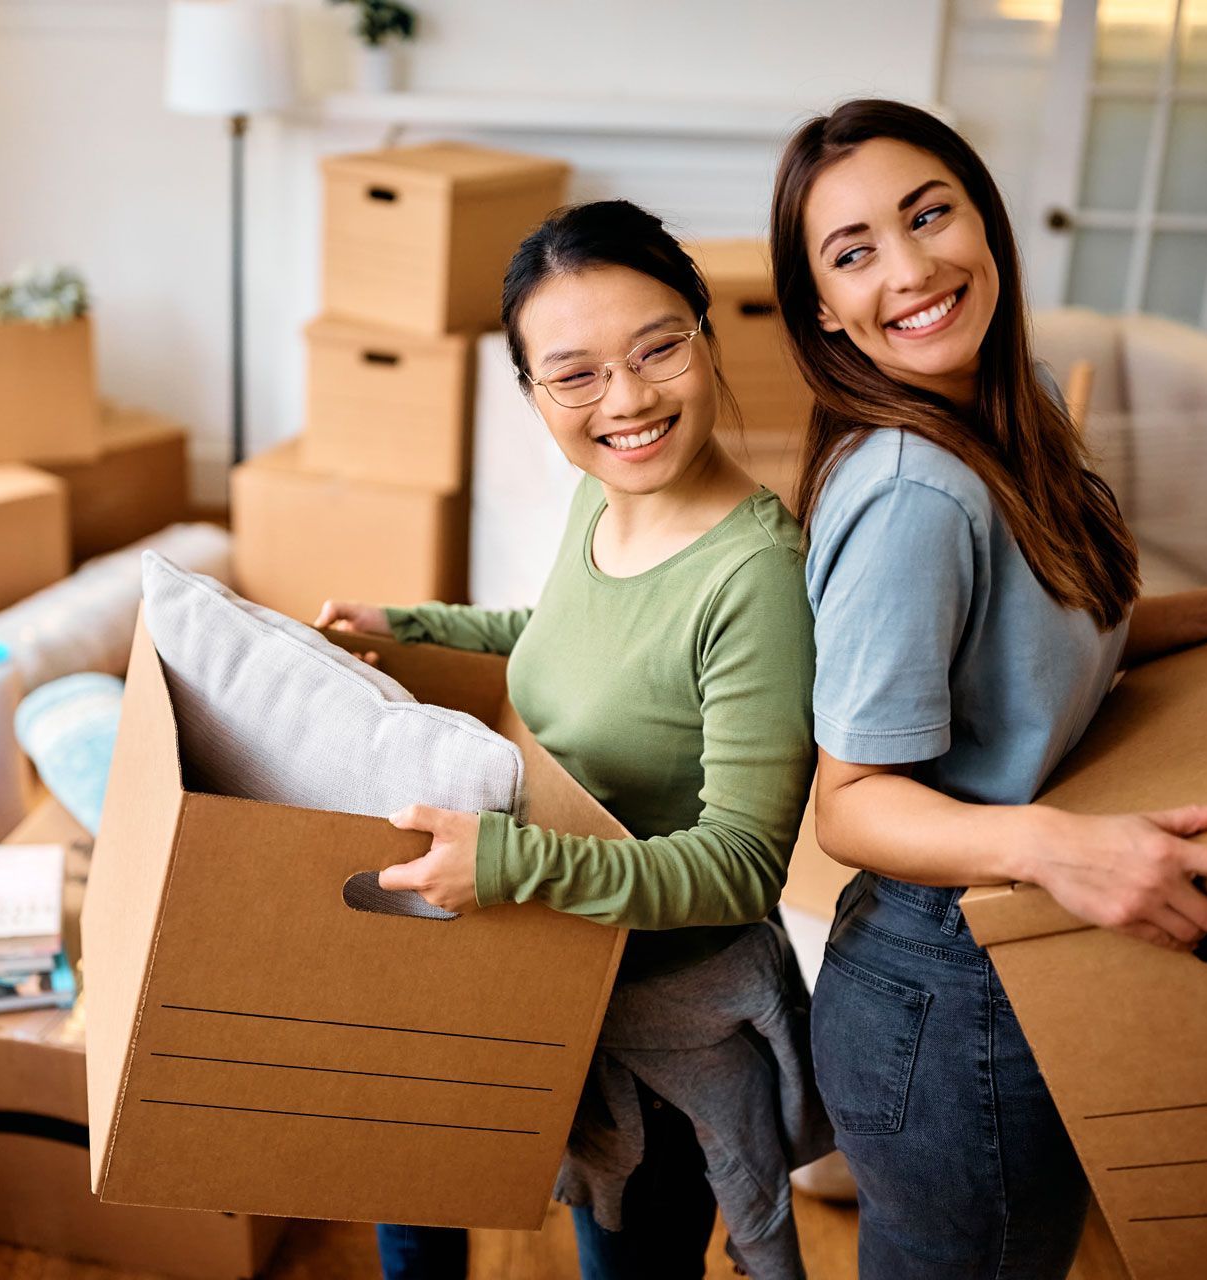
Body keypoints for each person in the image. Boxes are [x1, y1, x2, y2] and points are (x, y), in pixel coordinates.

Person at [765, 98, 1207, 1278]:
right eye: (855, 253)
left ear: (984, 221)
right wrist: (1059, 847)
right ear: (824, 314)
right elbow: (851, 802)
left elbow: (1028, 648)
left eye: (929, 213)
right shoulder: (911, 494)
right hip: (946, 987)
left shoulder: (1017, 402)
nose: (912, 267)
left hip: (1004, 947)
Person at [317, 200, 832, 1280]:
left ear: (707, 331)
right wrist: (411, 628)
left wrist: (510, 864)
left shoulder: (756, 576)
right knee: (404, 1178)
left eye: (657, 348)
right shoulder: (601, 498)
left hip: (658, 1026)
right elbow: (561, 643)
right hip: (536, 958)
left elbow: (742, 866)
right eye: (578, 373)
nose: (629, 399)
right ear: (533, 392)